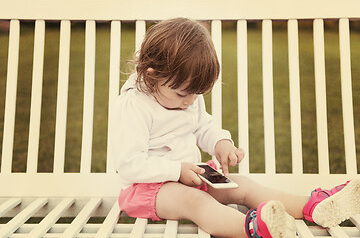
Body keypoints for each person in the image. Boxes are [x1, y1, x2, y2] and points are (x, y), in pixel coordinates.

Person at [109, 17, 360, 238]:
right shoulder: (134, 106)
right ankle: (253, 228)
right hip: (146, 190)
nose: (190, 102)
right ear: (152, 76)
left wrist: (220, 142)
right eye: (183, 94)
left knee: (242, 186)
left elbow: (202, 125)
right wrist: (176, 170)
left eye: (197, 94)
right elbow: (130, 164)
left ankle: (314, 206)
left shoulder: (183, 93)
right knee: (195, 201)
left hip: (189, 177)